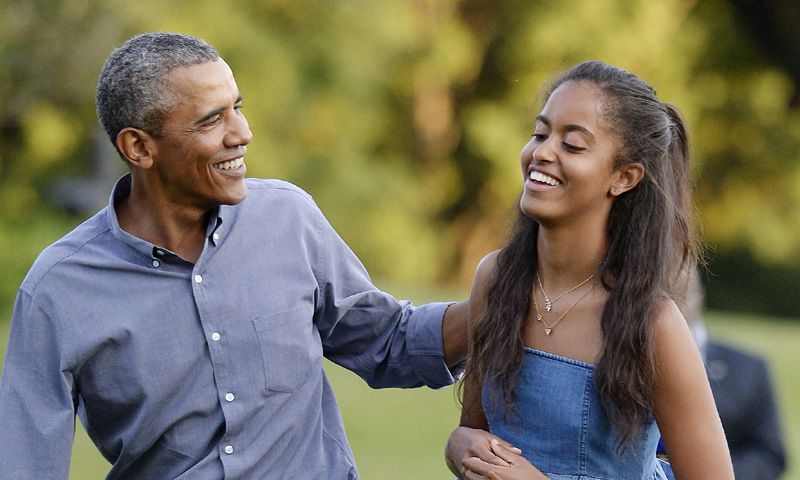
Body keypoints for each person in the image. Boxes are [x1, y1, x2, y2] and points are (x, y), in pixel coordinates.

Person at [0, 32, 467, 479]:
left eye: (237, 108)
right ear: (139, 147)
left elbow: (389, 343)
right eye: (212, 119)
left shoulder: (289, 219)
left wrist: (500, 296)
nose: (242, 133)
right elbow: (24, 462)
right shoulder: (58, 291)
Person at [444, 61, 734, 479]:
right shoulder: (495, 278)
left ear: (624, 177)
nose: (542, 153)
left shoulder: (654, 325)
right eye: (540, 134)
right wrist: (460, 446)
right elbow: (479, 435)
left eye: (573, 145)